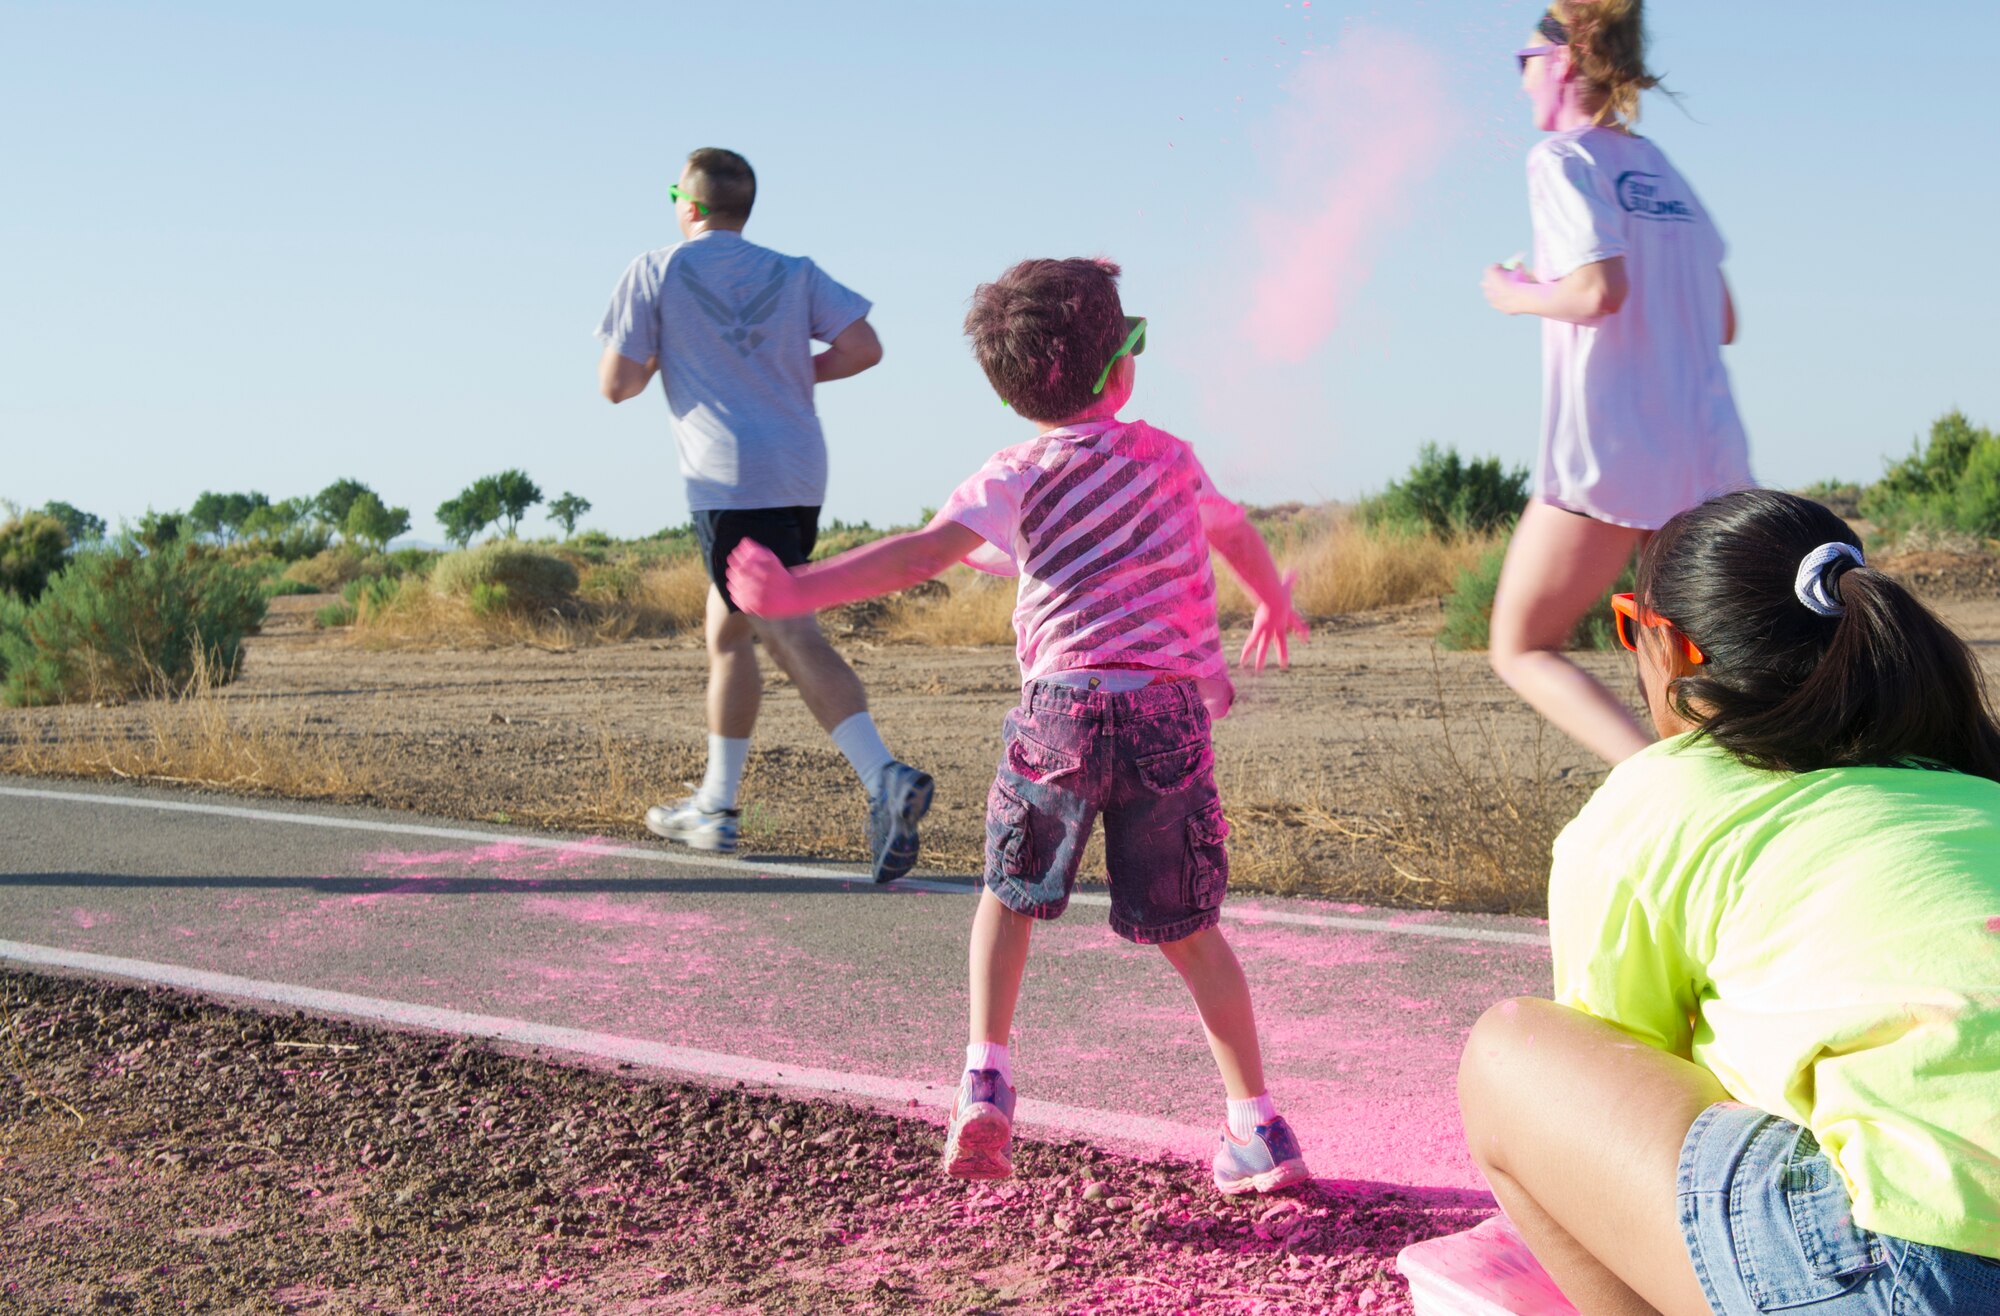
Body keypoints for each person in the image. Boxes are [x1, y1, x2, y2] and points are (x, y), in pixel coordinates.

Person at [728, 257, 1314, 1193]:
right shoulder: (1167, 458)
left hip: (1062, 712)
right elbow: (1232, 533)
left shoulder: (1014, 473)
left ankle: (987, 1080)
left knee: (1008, 899)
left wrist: (799, 588)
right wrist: (1272, 601)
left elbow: (918, 556)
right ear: (1122, 368)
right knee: (1191, 931)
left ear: (1009, 392)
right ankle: (1259, 1130)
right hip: (1165, 715)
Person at [1456, 490, 2000, 1316]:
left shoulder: (1659, 800)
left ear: (1663, 644)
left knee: (1511, 1056)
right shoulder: (1968, 784)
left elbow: (1628, 1089)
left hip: (1928, 1265)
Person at [595, 147, 933, 881]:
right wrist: (782, 370)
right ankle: (715, 806)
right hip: (797, 469)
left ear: (686, 203)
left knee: (784, 628)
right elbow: (863, 347)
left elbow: (616, 383)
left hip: (728, 477)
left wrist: (680, 359)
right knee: (729, 628)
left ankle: (884, 777)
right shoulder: (793, 270)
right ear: (743, 207)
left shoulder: (656, 270)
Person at [1480, 0, 1753, 764]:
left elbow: (1599, 289)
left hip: (1611, 454)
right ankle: (1712, 801)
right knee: (1679, 660)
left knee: (1520, 645)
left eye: (1525, 61)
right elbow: (1726, 317)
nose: (1523, 79)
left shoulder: (1562, 160)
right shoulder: (1662, 169)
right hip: (1705, 457)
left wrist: (1517, 292)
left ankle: (1652, 790)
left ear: (1563, 61)